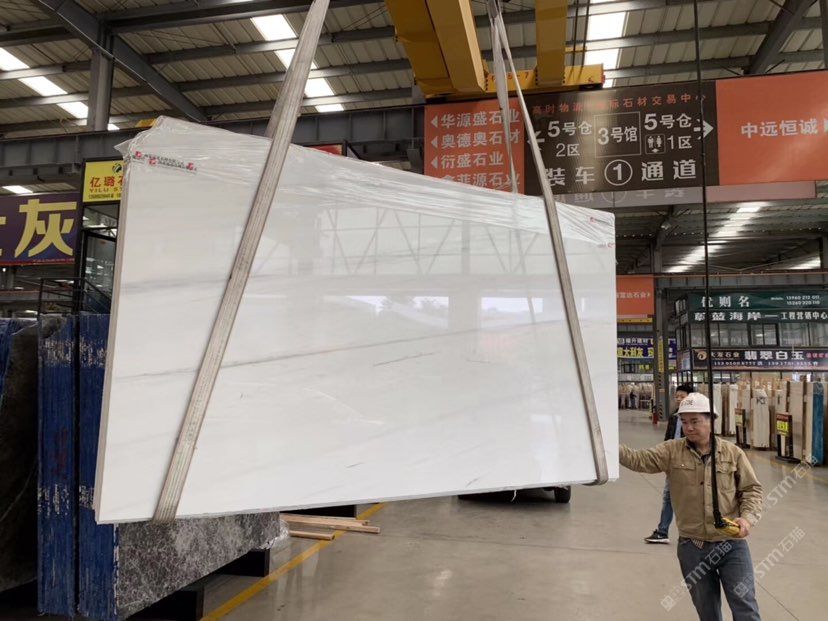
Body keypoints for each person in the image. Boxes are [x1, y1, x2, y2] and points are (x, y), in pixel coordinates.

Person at [620, 393, 763, 621]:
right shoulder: (671, 451)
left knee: (746, 608)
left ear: (711, 420)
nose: (688, 427)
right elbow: (639, 459)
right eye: (684, 421)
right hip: (693, 548)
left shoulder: (732, 453)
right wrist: (607, 445)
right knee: (707, 611)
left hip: (731, 545)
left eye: (695, 421)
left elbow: (751, 490)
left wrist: (747, 518)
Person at [645, 383, 694, 544]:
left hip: (692, 463)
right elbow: (668, 439)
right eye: (677, 396)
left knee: (690, 498)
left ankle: (692, 534)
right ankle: (662, 531)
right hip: (675, 461)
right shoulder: (674, 417)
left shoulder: (697, 418)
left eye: (682, 397)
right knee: (668, 497)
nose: (679, 399)